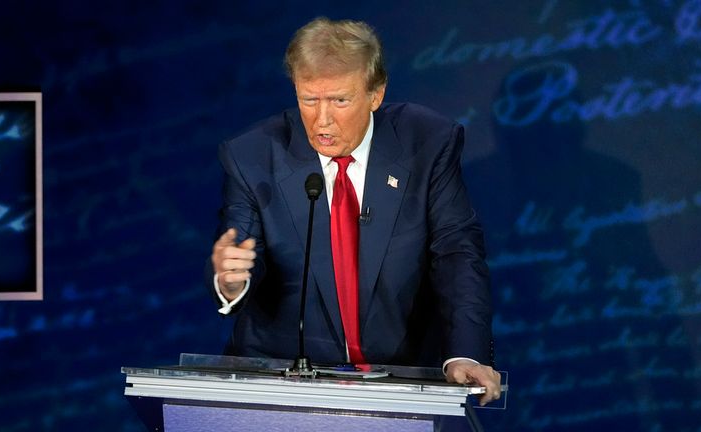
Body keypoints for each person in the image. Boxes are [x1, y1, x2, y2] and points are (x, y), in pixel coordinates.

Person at [207, 17, 501, 406]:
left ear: (376, 94)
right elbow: (243, 253)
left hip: (400, 379)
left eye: (339, 101)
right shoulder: (253, 156)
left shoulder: (427, 143)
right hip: (282, 386)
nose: (322, 120)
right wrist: (231, 282)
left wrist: (466, 352)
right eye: (309, 100)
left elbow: (456, 253)